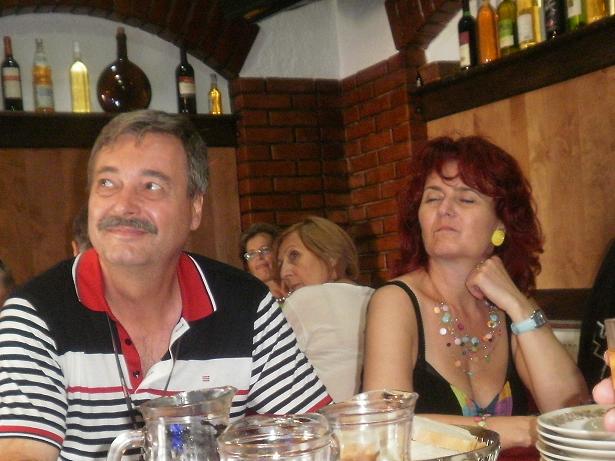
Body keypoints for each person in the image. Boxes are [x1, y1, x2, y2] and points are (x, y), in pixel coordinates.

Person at [0, 110, 330, 460]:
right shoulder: (36, 315)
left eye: (152, 186)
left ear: (195, 207)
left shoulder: (246, 306)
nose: (124, 205)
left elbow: (315, 440)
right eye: (107, 183)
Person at [362, 136, 589, 449]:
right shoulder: (395, 302)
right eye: (433, 198)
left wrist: (518, 305)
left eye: (466, 199)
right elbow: (384, 428)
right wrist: (526, 429)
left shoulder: (511, 309)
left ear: (501, 225)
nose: (445, 209)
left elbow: (573, 411)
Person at [277, 216, 374, 402]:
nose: (284, 273)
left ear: (330, 256)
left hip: (326, 416)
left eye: (294, 256)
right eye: (281, 263)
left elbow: (268, 369)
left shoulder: (305, 299)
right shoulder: (377, 297)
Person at [239, 222, 286, 301]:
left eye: (265, 250)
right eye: (251, 254)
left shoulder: (300, 288)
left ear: (279, 251)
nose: (258, 257)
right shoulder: (247, 300)